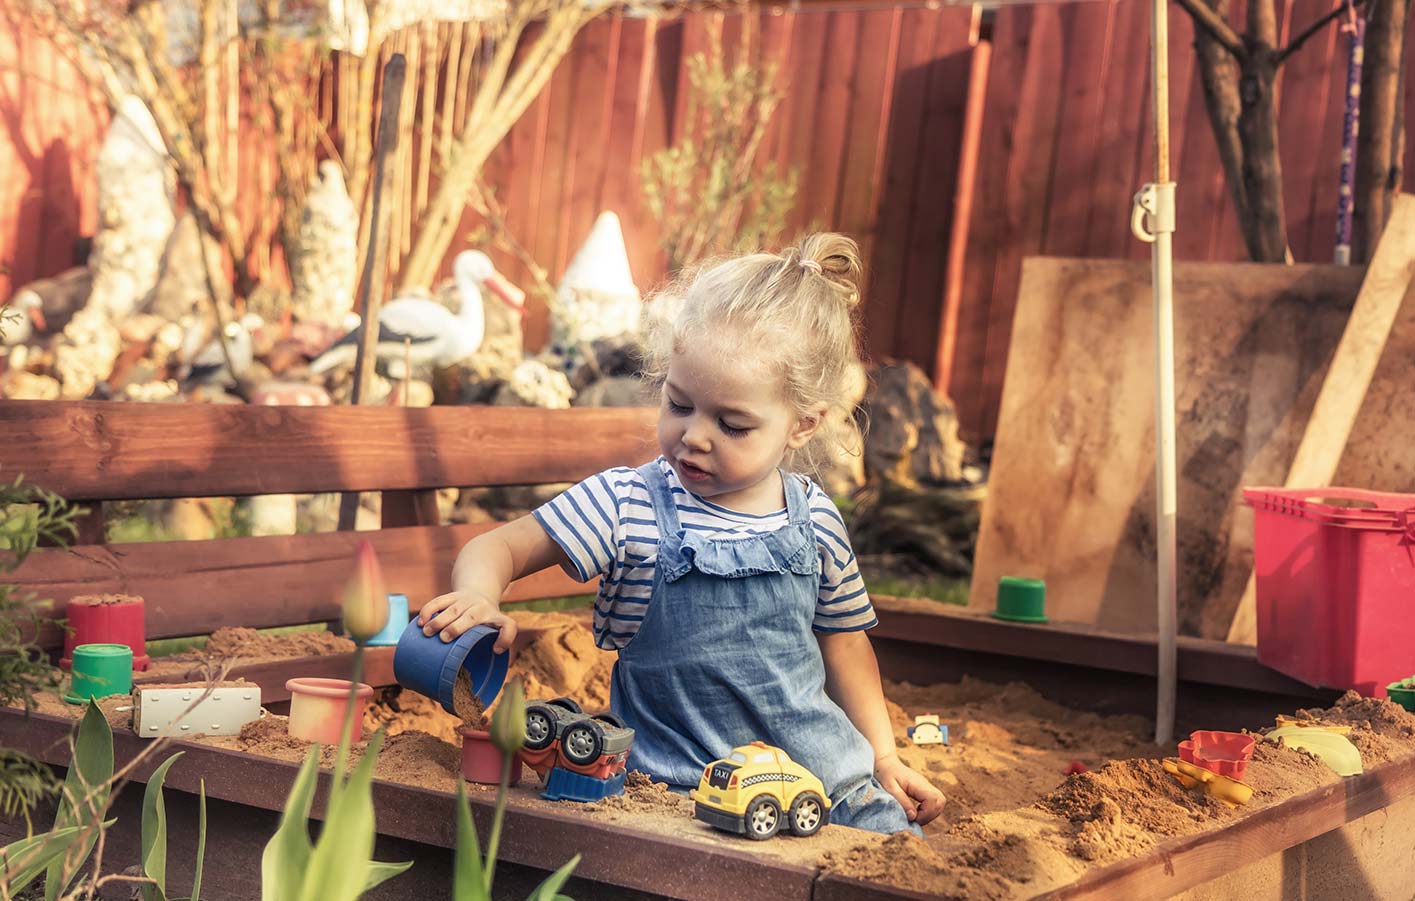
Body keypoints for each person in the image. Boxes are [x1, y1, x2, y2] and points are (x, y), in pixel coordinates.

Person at [418, 233, 945, 834]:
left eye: (733, 424)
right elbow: (499, 546)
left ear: (802, 425)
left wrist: (880, 757)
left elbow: (846, 644)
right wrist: (480, 597)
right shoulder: (629, 503)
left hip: (824, 781)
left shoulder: (815, 517)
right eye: (679, 403)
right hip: (678, 790)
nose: (695, 436)